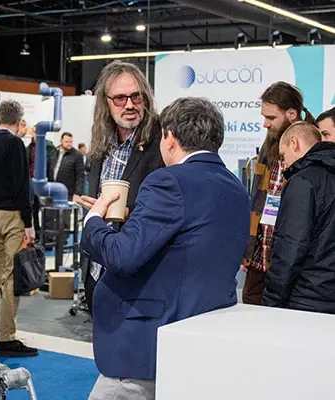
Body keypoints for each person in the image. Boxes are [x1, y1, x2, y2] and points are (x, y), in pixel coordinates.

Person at [81, 97, 250, 399]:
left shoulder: (168, 181)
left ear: (169, 138)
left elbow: (122, 256)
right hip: (201, 335)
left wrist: (93, 221)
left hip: (148, 344)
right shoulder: (236, 187)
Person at [75, 60, 164, 315]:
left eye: (136, 96)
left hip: (138, 278)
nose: (129, 105)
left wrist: (127, 213)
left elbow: (169, 207)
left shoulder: (161, 142)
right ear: (106, 102)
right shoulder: (102, 143)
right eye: (120, 98)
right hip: (97, 270)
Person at [242, 82, 315, 305]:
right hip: (259, 256)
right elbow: (258, 200)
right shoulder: (268, 145)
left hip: (292, 261)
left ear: (291, 114)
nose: (265, 124)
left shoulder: (314, 146)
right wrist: (248, 250)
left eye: (271, 117)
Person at [0, 100, 38, 357]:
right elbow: (22, 186)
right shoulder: (15, 144)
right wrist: (28, 223)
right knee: (12, 276)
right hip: (13, 215)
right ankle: (7, 337)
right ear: (19, 120)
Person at [263, 122, 335, 313]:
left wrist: (271, 301)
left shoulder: (303, 182)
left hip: (307, 299)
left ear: (294, 143)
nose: (283, 165)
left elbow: (291, 247)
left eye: (283, 155)